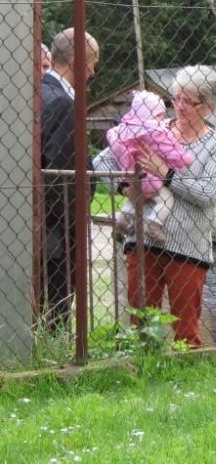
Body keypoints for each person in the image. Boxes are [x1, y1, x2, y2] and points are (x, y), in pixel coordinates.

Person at [94, 65, 216, 348]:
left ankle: (186, 370)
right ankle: (145, 367)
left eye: (189, 101)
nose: (179, 106)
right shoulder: (152, 128)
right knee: (142, 324)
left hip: (188, 247)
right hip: (142, 240)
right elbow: (101, 162)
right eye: (176, 98)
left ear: (209, 107)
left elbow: (208, 193)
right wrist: (124, 186)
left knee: (185, 328)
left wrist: (166, 174)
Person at [40, 28, 99, 328]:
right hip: (57, 234)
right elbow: (62, 178)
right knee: (55, 316)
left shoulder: (39, 92)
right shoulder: (62, 103)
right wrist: (76, 221)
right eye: (92, 64)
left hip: (37, 227)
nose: (92, 73)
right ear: (76, 62)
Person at [107, 90, 194, 245]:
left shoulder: (123, 129)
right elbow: (169, 149)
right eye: (160, 115)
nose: (162, 119)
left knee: (135, 199)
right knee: (166, 199)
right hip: (151, 177)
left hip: (131, 176)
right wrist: (184, 159)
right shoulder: (156, 131)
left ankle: (122, 221)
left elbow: (114, 146)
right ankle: (154, 223)